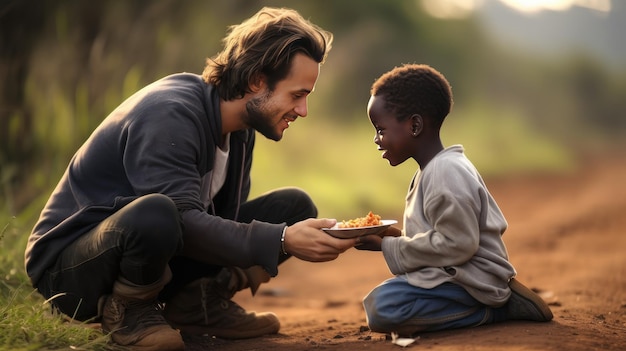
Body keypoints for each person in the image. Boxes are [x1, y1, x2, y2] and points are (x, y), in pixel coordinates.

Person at [24, 7, 357, 351]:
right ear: (258, 80)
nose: (302, 111)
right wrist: (283, 240)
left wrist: (289, 232)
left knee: (294, 207)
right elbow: (183, 220)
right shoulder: (170, 114)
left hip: (153, 247)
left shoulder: (242, 129)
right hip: (70, 269)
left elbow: (218, 224)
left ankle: (197, 302)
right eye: (297, 95)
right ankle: (129, 312)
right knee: (159, 213)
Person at [356, 63, 553, 336]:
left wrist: (389, 247)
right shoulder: (433, 169)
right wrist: (394, 236)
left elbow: (458, 244)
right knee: (384, 300)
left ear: (414, 125)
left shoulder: (444, 172)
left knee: (383, 307)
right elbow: (444, 235)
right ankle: (482, 306)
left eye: (380, 129)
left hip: (473, 281)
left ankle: (493, 310)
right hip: (455, 274)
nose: (376, 139)